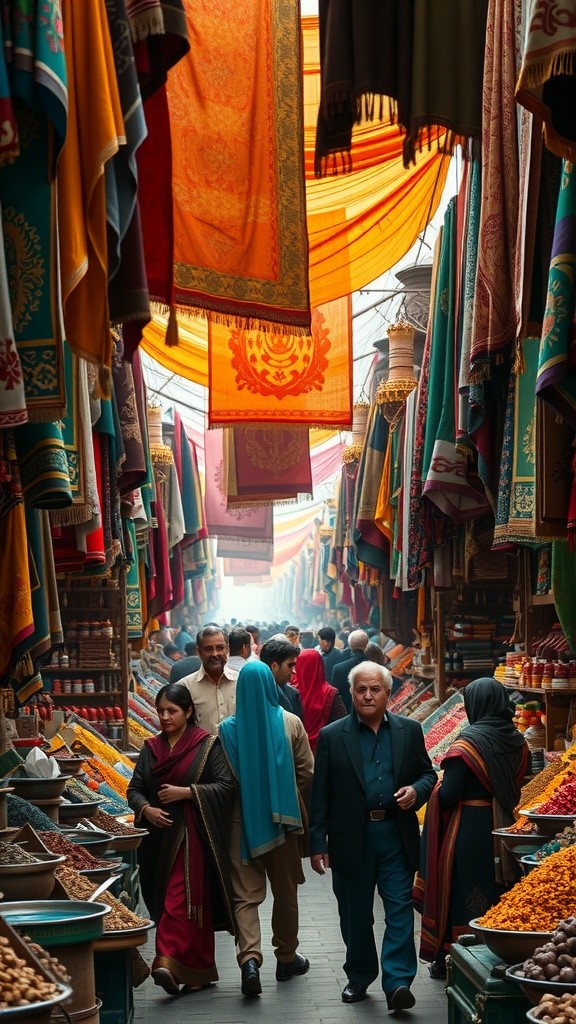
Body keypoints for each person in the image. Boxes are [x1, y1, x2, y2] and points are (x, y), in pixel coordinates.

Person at [309, 662, 436, 1012]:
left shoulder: (409, 731)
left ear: (387, 693)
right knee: (355, 912)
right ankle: (360, 975)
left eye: (375, 689)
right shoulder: (334, 736)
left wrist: (416, 791)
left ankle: (397, 982)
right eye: (361, 689)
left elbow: (428, 774)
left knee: (398, 909)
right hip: (351, 837)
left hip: (395, 833)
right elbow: (320, 792)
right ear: (351, 693)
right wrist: (317, 842)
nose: (367, 695)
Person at [413, 676, 529, 979]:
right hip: (506, 828)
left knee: (465, 891)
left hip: (470, 829)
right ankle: (500, 952)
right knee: (498, 890)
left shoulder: (466, 744)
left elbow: (449, 794)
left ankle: (456, 957)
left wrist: (436, 787)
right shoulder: (519, 741)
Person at [127, 683, 236, 995]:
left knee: (181, 899)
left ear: (188, 712)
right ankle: (196, 969)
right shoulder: (150, 748)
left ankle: (165, 961)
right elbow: (133, 789)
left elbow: (226, 786)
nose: (164, 716)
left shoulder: (206, 745)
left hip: (191, 838)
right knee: (172, 901)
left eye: (171, 711)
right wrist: (146, 809)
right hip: (157, 842)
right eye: (160, 711)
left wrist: (186, 793)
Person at [219, 661, 314, 997]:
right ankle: (286, 957)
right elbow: (307, 772)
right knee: (285, 892)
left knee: (245, 897)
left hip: (239, 824)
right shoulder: (291, 723)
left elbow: (222, 782)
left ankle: (250, 961)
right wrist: (284, 794)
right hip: (283, 823)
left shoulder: (225, 730)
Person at [180, 625, 238, 735]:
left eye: (220, 648)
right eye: (208, 649)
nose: (215, 654)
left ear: (228, 649)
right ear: (199, 652)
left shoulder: (241, 682)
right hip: (202, 752)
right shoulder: (185, 687)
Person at [292, 648, 346, 753]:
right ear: (320, 665)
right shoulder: (330, 693)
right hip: (323, 750)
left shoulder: (291, 690)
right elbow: (341, 722)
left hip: (297, 750)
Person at [260, 637, 304, 721]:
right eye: (290, 665)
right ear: (274, 666)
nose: (294, 671)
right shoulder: (255, 695)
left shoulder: (293, 694)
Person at [331, 630, 370, 713]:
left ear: (350, 645)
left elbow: (335, 699)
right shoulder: (376, 667)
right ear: (366, 644)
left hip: (348, 715)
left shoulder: (338, 668)